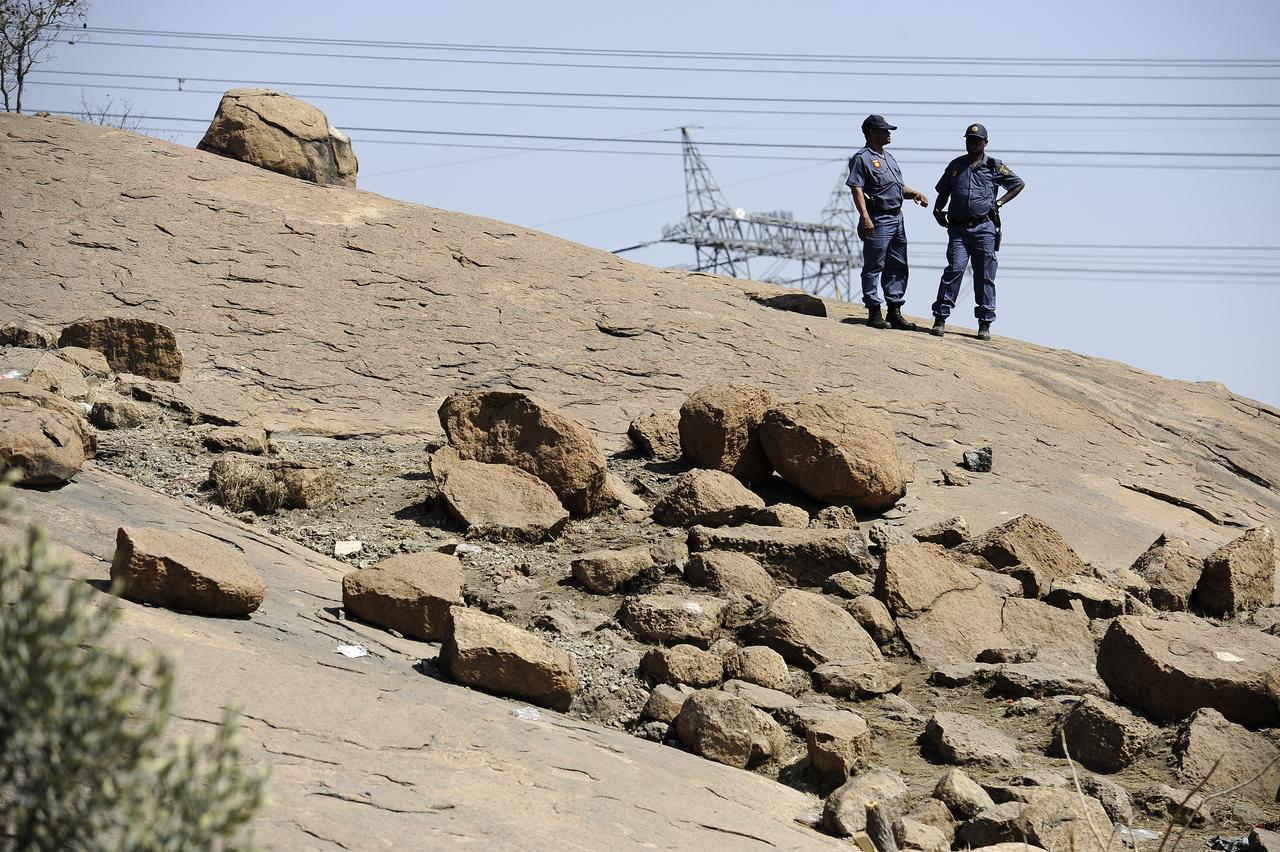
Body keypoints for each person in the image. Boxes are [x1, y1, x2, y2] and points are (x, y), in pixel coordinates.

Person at [929, 123, 1025, 340]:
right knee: (955, 269)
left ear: (985, 143)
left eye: (976, 140)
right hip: (959, 229)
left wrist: (999, 202)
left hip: (984, 228)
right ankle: (940, 318)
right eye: (969, 140)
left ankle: (985, 322)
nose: (972, 144)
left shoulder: (993, 166)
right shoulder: (955, 165)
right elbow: (943, 191)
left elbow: (1018, 184)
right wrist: (937, 209)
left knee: (984, 275)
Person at [846, 114, 931, 330]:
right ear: (872, 132)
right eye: (885, 130)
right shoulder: (862, 158)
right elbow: (856, 188)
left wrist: (915, 194)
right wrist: (865, 216)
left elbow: (897, 187)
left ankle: (894, 311)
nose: (889, 133)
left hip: (896, 217)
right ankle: (874, 311)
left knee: (898, 264)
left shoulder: (889, 157)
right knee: (874, 265)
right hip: (878, 218)